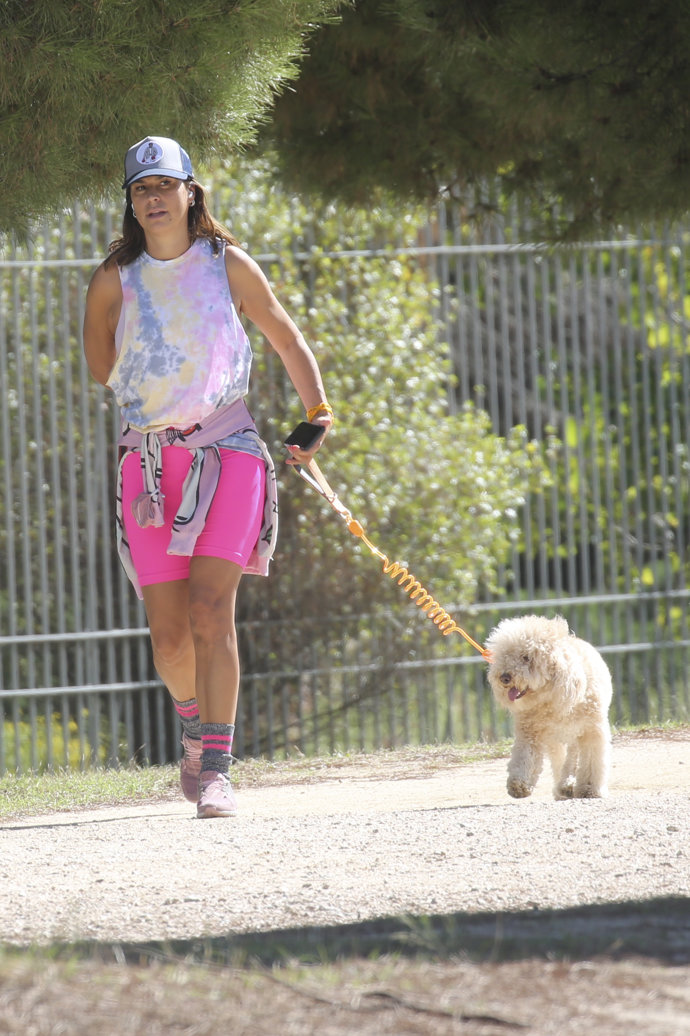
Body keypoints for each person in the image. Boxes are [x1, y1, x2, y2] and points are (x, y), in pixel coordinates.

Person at [83, 135, 333, 818]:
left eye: (165, 185)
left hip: (230, 452)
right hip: (149, 465)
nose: (154, 198)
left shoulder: (227, 263)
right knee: (168, 638)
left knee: (208, 611)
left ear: (193, 191)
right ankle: (193, 726)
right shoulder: (114, 278)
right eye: (141, 190)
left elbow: (285, 336)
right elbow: (101, 366)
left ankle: (218, 766)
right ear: (131, 204)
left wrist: (317, 414)